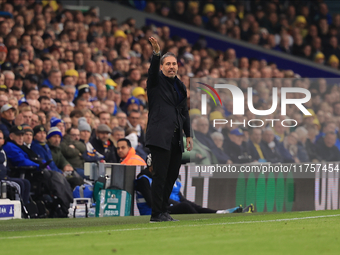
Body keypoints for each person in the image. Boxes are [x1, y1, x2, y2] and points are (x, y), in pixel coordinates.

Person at [146, 37, 192, 222]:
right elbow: (152, 70)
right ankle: (156, 214)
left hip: (175, 138)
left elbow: (184, 111)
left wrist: (188, 134)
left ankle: (164, 211)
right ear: (162, 66)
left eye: (174, 64)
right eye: (168, 64)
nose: (171, 67)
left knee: (171, 176)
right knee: (160, 176)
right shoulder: (155, 82)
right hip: (159, 136)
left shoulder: (180, 86)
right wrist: (157, 54)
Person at [135, 154, 254, 216]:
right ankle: (208, 218)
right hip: (153, 212)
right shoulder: (144, 179)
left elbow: (180, 197)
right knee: (185, 207)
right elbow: (152, 201)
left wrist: (182, 202)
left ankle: (221, 213)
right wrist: (178, 203)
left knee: (192, 206)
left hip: (168, 207)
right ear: (151, 167)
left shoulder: (168, 178)